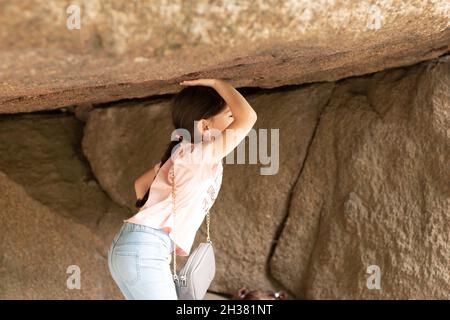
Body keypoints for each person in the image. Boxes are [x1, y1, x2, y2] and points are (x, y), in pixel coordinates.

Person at [107, 78, 258, 299]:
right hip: (144, 251)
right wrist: (218, 83)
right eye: (229, 117)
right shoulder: (197, 155)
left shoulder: (186, 153)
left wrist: (152, 221)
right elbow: (249, 118)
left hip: (138, 248)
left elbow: (141, 184)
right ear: (205, 126)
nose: (234, 121)